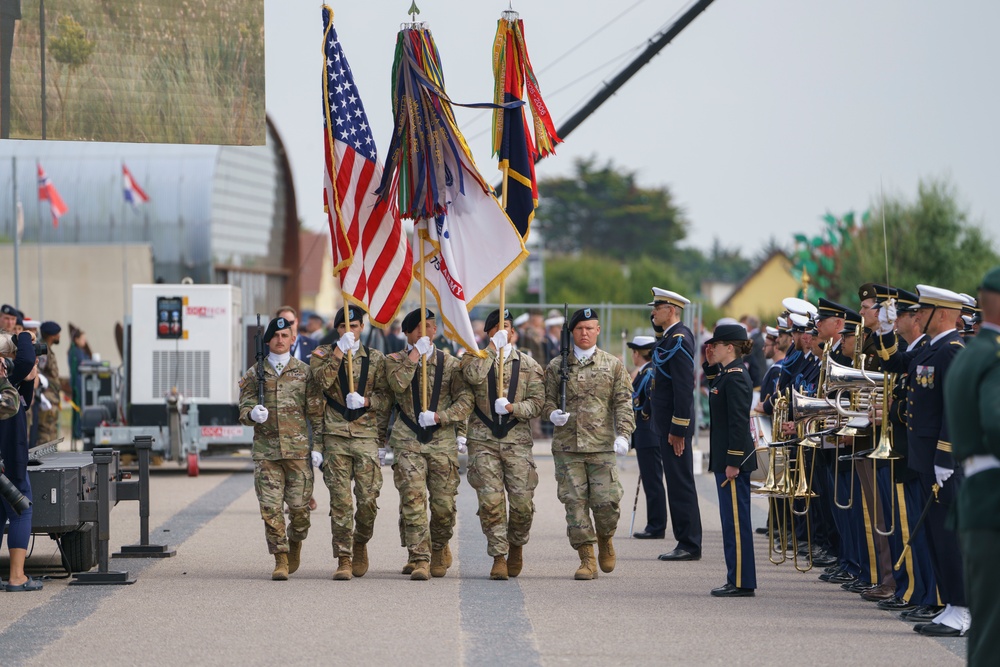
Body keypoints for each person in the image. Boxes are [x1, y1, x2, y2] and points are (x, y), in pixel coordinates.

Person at [877, 284, 969, 636]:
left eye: (922, 311)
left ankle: (963, 611)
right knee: (935, 536)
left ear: (942, 313)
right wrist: (885, 332)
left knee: (950, 537)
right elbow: (895, 362)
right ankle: (951, 604)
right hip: (926, 460)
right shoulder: (933, 348)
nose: (916, 316)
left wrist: (946, 455)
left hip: (943, 460)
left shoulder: (952, 351)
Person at [543, 307, 634, 579]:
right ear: (572, 332)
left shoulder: (613, 364)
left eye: (590, 328)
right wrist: (551, 414)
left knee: (607, 504)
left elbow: (623, 402)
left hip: (602, 447)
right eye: (580, 328)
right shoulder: (557, 366)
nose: (585, 333)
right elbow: (545, 400)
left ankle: (605, 538)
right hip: (567, 448)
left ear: (598, 331)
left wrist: (624, 434)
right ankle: (587, 558)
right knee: (575, 504)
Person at [384, 308, 473, 580]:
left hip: (441, 441)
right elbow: (397, 386)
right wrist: (414, 356)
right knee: (412, 500)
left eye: (431, 327)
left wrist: (443, 418)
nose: (426, 332)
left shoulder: (451, 364)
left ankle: (439, 545)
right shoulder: (394, 360)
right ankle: (420, 557)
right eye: (419, 328)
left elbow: (465, 401)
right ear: (408, 333)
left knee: (443, 506)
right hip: (407, 440)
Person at [461, 308, 544, 579]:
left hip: (516, 442)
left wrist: (513, 407)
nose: (502, 331)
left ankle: (516, 545)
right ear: (487, 334)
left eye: (506, 326)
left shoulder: (529, 365)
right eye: (496, 327)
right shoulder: (474, 359)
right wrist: (491, 353)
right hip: (483, 441)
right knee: (490, 501)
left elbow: (538, 404)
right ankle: (498, 555)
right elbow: (472, 378)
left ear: (513, 332)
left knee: (522, 503)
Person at [238, 316, 323, 580]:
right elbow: (242, 410)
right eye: (275, 336)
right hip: (267, 453)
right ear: (268, 341)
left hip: (298, 452)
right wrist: (253, 414)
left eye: (285, 335)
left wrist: (318, 446)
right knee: (270, 508)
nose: (280, 340)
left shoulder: (304, 372)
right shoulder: (254, 373)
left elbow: (316, 413)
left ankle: (295, 542)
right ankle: (281, 558)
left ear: (292, 339)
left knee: (299, 511)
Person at [309, 306, 391, 580]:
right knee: (341, 502)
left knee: (368, 501)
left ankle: (360, 542)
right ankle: (344, 558)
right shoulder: (321, 354)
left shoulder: (376, 359)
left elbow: (386, 399)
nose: (349, 331)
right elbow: (320, 382)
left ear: (362, 328)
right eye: (344, 326)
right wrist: (338, 353)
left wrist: (367, 402)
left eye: (354, 326)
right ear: (337, 329)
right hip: (335, 435)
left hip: (366, 435)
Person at [945, 266, 1000, 664]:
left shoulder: (970, 354)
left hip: (980, 498)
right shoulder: (992, 356)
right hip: (993, 499)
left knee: (986, 619)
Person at [648, 287, 703, 562]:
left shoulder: (679, 339)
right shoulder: (670, 337)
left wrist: (678, 428)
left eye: (657, 308)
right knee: (676, 480)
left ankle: (690, 543)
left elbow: (684, 387)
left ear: (671, 310)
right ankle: (685, 539)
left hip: (675, 426)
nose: (652, 312)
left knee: (681, 482)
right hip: (667, 423)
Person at [702, 323, 757, 597]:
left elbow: (737, 423)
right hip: (727, 459)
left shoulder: (735, 377)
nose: (713, 348)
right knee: (731, 522)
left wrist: (734, 461)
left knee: (736, 523)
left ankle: (742, 581)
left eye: (717, 345)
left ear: (730, 347)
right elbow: (715, 388)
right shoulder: (728, 374)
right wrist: (710, 364)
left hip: (733, 461)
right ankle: (736, 577)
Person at [0, 327, 41, 591]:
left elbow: (24, 397)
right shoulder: (3, 385)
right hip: (9, 461)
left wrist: (28, 377)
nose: (4, 366)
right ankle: (17, 577)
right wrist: (24, 336)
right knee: (21, 511)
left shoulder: (7, 386)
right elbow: (24, 360)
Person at [628, 335, 665, 539]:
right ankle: (655, 523)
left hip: (648, 433)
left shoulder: (648, 373)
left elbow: (641, 402)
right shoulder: (645, 372)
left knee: (653, 482)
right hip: (645, 433)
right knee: (651, 481)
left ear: (637, 353)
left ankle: (656, 525)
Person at [36, 321, 61, 444]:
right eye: (58, 334)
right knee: (45, 431)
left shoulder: (47, 349)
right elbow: (38, 373)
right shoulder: (43, 351)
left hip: (52, 398)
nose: (59, 336)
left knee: (51, 431)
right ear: (52, 336)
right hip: (46, 398)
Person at [67, 325, 91, 443]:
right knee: (78, 409)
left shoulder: (79, 351)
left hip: (80, 383)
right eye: (82, 339)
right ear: (76, 339)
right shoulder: (75, 352)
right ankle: (78, 432)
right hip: (78, 384)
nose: (84, 341)